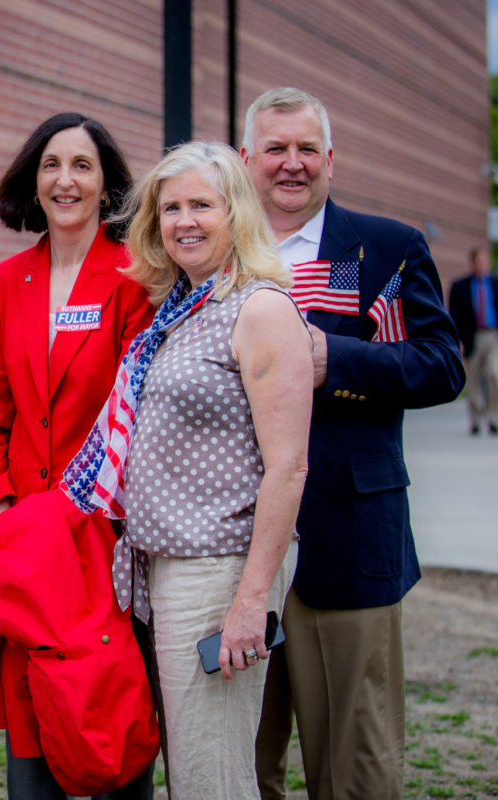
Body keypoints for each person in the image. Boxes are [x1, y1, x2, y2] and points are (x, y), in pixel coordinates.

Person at [63, 140, 313, 797]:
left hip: (219, 573)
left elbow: (288, 467)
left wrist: (250, 601)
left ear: (237, 212)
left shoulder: (258, 309)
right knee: (198, 768)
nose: (184, 220)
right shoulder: (184, 309)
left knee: (212, 775)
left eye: (201, 203)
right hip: (170, 571)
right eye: (170, 208)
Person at [243, 88, 466, 800]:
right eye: (275, 148)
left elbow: (441, 364)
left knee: (356, 766)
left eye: (307, 148)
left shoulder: (388, 250)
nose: (292, 164)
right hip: (233, 546)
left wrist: (334, 358)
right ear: (246, 160)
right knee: (241, 765)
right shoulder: (214, 253)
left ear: (331, 160)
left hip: (348, 533)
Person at [0, 112, 156, 799]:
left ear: (107, 186)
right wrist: (2, 509)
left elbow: (140, 412)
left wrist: (89, 517)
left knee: (107, 711)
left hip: (102, 538)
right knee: (34, 718)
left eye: (81, 166)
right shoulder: (8, 280)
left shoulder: (135, 276)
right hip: (25, 542)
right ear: (32, 183)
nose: (64, 179)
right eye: (51, 165)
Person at [448, 248, 498, 435]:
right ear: (472, 264)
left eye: (484, 262)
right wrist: (456, 340)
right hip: (471, 338)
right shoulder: (460, 286)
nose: (481, 265)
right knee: (473, 380)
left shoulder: (495, 283)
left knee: (495, 374)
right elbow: (453, 316)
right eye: (478, 262)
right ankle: (476, 420)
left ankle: (494, 418)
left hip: (493, 337)